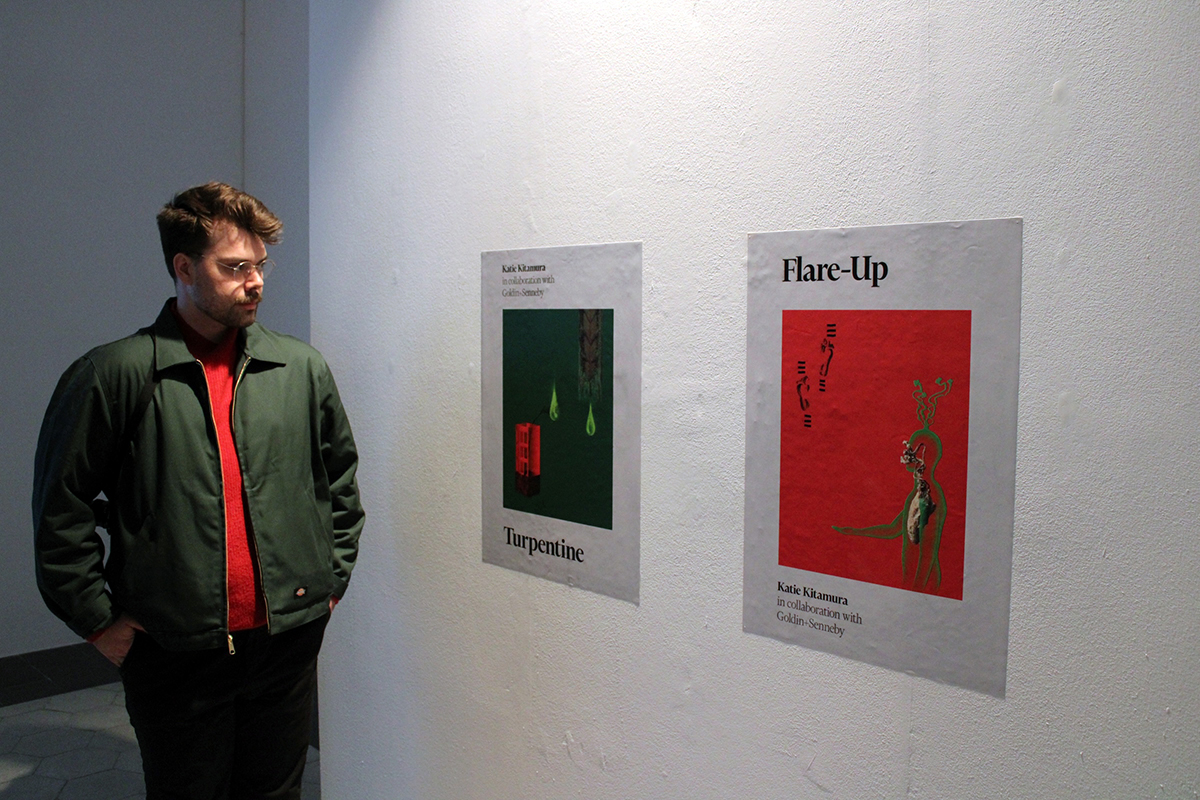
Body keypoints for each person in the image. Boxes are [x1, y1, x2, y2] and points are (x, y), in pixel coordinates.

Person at [32, 182, 365, 799]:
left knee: (274, 791)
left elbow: (339, 481)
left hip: (284, 642)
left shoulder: (300, 368)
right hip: (174, 650)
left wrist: (329, 583)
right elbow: (61, 507)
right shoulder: (114, 373)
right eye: (234, 267)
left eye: (260, 266)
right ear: (184, 268)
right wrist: (98, 620)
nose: (256, 282)